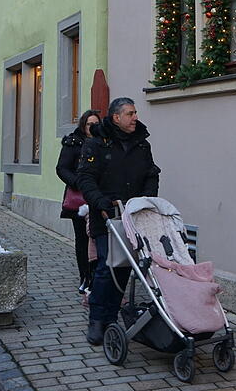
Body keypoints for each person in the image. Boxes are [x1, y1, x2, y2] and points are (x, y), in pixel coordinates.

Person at [77, 97, 160, 345]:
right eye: (130, 113)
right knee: (105, 267)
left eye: (135, 113)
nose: (135, 117)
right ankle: (97, 319)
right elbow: (85, 179)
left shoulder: (141, 145)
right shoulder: (95, 145)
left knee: (124, 267)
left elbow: (151, 174)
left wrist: (146, 200)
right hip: (107, 216)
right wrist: (100, 202)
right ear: (116, 117)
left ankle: (112, 316)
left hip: (132, 217)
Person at [56, 109, 100, 294]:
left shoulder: (104, 143)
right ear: (83, 125)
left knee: (98, 238)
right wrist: (78, 182)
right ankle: (85, 277)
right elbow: (62, 168)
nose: (93, 127)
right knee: (82, 239)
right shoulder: (73, 143)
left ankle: (97, 276)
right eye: (90, 124)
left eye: (96, 124)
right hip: (80, 200)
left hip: (98, 198)